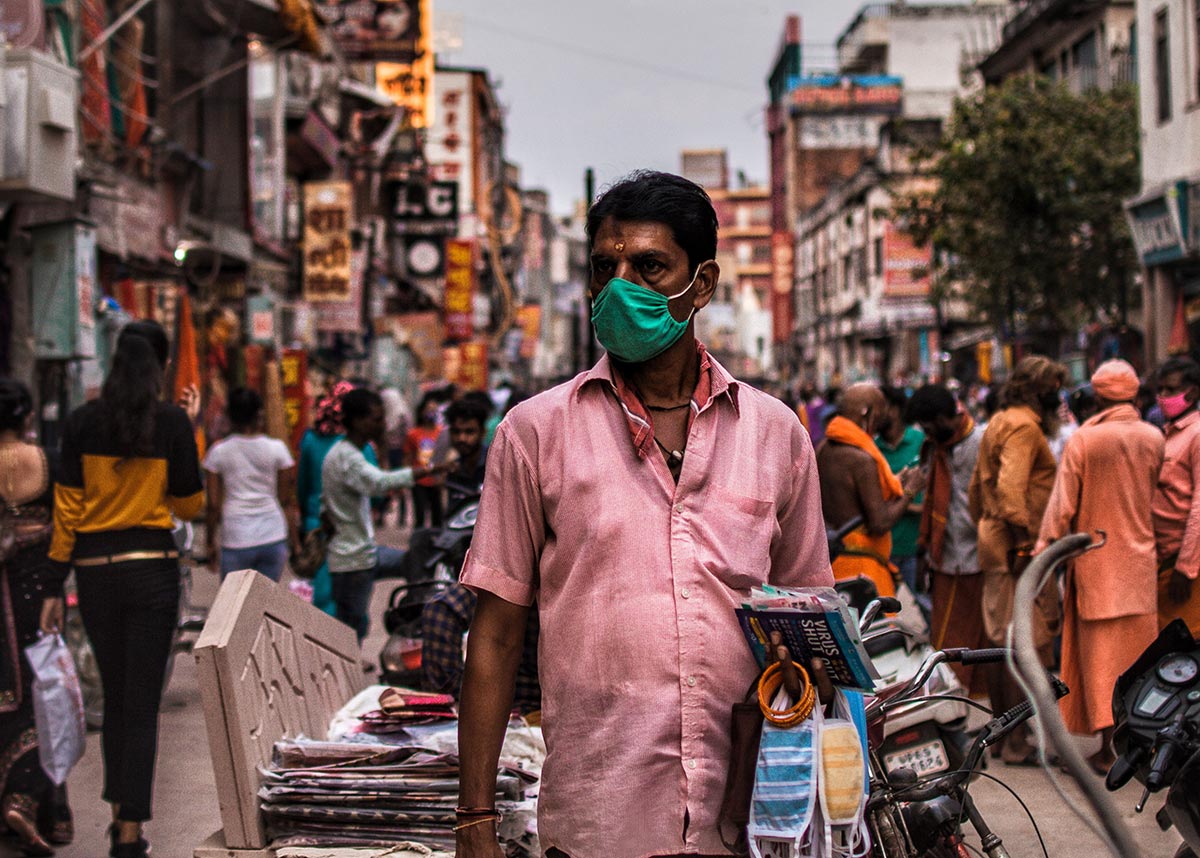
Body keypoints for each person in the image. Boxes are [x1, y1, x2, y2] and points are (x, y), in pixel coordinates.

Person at [456, 170, 832, 858]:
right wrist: (473, 818)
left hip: (746, 814)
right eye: (607, 267)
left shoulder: (776, 435)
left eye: (650, 266)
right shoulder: (533, 433)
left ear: (704, 283)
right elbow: (497, 634)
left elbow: (810, 611)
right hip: (600, 813)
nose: (621, 286)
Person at [50, 321, 203, 858]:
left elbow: (66, 510)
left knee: (116, 699)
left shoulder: (82, 422)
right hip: (152, 574)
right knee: (141, 705)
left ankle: (121, 818)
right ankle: (129, 832)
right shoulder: (172, 423)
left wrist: (52, 581)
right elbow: (189, 507)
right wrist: (191, 430)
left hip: (95, 575)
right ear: (161, 369)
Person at [1034, 359, 1163, 774]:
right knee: (1139, 662)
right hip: (1141, 567)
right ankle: (1134, 746)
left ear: (1096, 396)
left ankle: (1109, 749)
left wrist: (1043, 555)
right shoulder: (1153, 437)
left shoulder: (1085, 440)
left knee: (1102, 662)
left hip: (1096, 566)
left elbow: (1061, 508)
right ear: (1134, 395)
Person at [968, 354, 1066, 765]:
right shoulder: (1024, 427)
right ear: (1041, 392)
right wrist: (1026, 543)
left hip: (999, 543)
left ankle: (1009, 735)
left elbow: (977, 491)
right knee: (1019, 645)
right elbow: (1010, 493)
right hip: (1016, 549)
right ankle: (1014, 740)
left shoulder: (1001, 423)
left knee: (1004, 642)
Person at [0, 380, 73, 856]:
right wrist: (56, 586)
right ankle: (28, 802)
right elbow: (66, 523)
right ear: (27, 417)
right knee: (43, 690)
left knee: (6, 690)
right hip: (35, 590)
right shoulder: (46, 460)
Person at [322, 388, 447, 643]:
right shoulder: (346, 457)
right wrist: (428, 470)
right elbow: (380, 483)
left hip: (362, 551)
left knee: (417, 560)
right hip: (353, 559)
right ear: (357, 421)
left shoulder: (351, 452)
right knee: (351, 627)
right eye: (376, 418)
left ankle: (413, 622)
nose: (382, 424)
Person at [907, 383, 987, 696]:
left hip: (978, 557)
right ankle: (950, 704)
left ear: (942, 418)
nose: (925, 431)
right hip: (944, 557)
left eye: (927, 425)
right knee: (945, 642)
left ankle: (972, 703)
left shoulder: (980, 442)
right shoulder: (935, 449)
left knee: (979, 642)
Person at [816, 383, 925, 599]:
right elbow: (879, 523)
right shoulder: (861, 459)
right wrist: (911, 491)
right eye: (879, 415)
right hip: (862, 567)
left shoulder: (823, 449)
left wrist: (895, 482)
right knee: (876, 631)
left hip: (833, 560)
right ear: (866, 412)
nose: (879, 426)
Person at [203, 388, 296, 581]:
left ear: (230, 416)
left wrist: (210, 541)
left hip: (236, 537)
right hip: (273, 535)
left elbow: (212, 505)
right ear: (259, 414)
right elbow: (286, 501)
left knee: (234, 606)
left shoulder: (218, 452)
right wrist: (295, 542)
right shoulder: (278, 449)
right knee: (264, 606)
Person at [1152, 356, 1200, 634]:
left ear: (1191, 392)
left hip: (1185, 568)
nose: (1162, 397)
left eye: (1170, 390)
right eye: (1160, 390)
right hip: (1164, 564)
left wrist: (1186, 566)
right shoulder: (1168, 435)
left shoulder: (1195, 435)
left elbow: (1198, 507)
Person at [297, 381, 353, 616]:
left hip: (316, 523)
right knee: (348, 597)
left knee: (323, 593)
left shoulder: (309, 440)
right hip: (351, 528)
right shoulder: (358, 444)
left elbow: (302, 485)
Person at [875, 385, 926, 606]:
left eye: (881, 407)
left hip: (915, 547)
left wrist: (899, 500)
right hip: (884, 549)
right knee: (883, 612)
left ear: (895, 410)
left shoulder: (920, 442)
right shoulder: (871, 448)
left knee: (925, 607)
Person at [404, 394, 444, 528]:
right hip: (419, 480)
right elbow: (408, 457)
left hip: (436, 481)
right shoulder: (413, 434)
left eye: (434, 410)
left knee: (437, 516)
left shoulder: (441, 432)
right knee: (420, 515)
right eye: (428, 410)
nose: (431, 413)